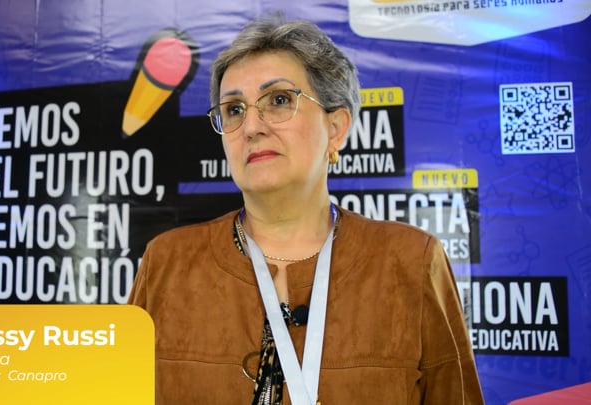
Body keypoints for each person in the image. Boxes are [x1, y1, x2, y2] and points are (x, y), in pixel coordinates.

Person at [129, 15, 484, 405]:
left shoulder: (410, 261)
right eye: (234, 109)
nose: (251, 127)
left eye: (279, 100)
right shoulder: (167, 262)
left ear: (336, 128)